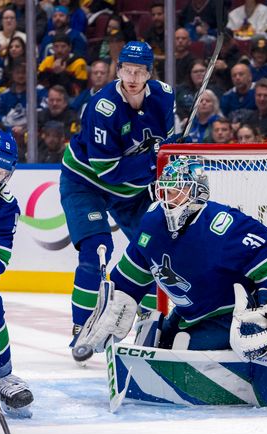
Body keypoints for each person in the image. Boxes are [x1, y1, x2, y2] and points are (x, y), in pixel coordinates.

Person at [74, 157, 267, 407]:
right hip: (188, 313)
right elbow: (130, 276)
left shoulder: (222, 225)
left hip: (227, 316)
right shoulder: (153, 222)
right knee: (154, 337)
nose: (166, 198)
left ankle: (262, 377)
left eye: (175, 191)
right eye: (164, 190)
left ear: (197, 192)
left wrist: (265, 308)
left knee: (182, 347)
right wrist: (115, 304)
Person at [59, 41, 175, 338]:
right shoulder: (103, 107)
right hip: (86, 182)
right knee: (96, 249)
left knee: (153, 248)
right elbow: (107, 170)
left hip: (131, 190)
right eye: (127, 70)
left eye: (139, 71)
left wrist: (172, 155)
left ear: (150, 73)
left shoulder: (163, 96)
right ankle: (81, 325)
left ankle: (151, 321)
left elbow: (168, 151)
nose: (132, 78)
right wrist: (153, 162)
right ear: (118, 69)